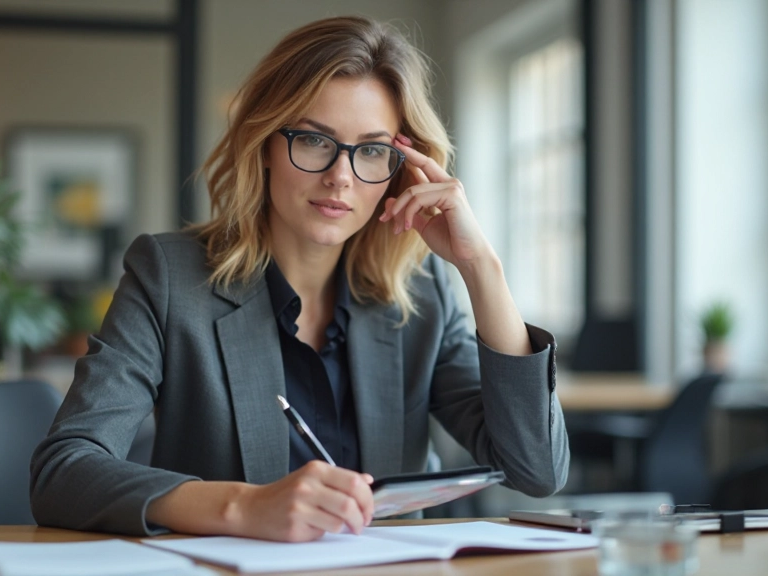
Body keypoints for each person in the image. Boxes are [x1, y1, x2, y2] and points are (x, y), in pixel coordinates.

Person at [30, 15, 569, 542]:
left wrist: (481, 268)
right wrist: (243, 505)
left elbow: (536, 471)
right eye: (313, 140)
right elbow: (64, 469)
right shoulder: (169, 277)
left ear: (398, 168)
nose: (340, 175)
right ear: (265, 143)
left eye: (373, 150)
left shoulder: (422, 291)